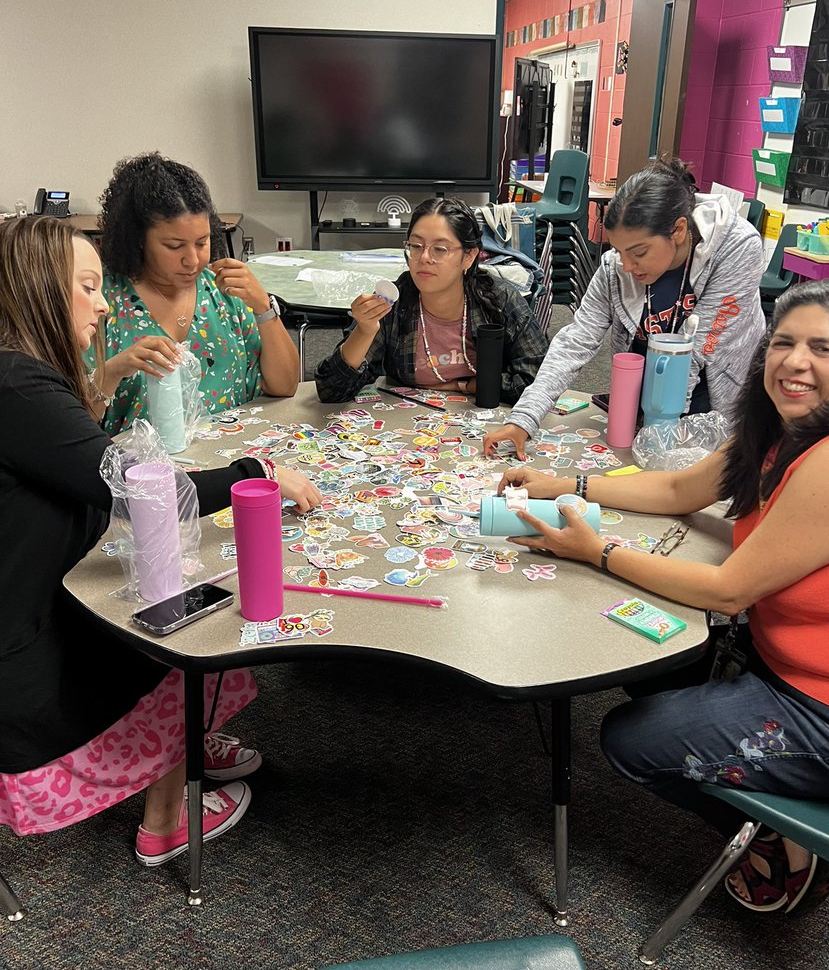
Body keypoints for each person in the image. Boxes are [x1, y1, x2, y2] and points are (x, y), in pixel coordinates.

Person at [497, 277, 829, 914]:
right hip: (782, 665)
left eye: (823, 349)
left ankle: (791, 845)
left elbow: (730, 588)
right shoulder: (784, 427)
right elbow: (677, 491)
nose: (795, 363)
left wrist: (595, 551)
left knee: (630, 738)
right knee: (656, 660)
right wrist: (564, 481)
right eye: (784, 343)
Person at [0, 216, 321, 866]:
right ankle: (167, 822)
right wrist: (256, 473)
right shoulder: (16, 384)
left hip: (37, 602)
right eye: (86, 287)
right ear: (38, 289)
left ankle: (189, 748)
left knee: (179, 589)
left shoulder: (20, 376)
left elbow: (73, 453)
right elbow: (132, 487)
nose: (100, 303)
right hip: (24, 659)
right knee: (187, 632)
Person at [483, 157, 766, 459]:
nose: (627, 266)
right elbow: (575, 340)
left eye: (639, 252)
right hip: (649, 400)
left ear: (679, 230)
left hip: (713, 394)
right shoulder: (615, 267)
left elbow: (697, 350)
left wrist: (665, 433)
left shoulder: (735, 247)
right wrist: (524, 418)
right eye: (618, 251)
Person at [89, 152, 300, 434]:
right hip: (143, 470)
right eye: (174, 246)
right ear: (138, 241)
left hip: (232, 463)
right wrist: (114, 369)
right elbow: (74, 419)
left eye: (202, 242)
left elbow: (285, 385)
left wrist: (264, 308)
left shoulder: (225, 290)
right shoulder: (103, 301)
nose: (192, 260)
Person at [314, 197, 548, 404]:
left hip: (489, 426)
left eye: (440, 249)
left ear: (469, 257)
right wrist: (365, 330)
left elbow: (539, 379)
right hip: (408, 429)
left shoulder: (499, 300)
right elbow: (331, 390)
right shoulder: (395, 304)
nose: (424, 258)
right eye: (416, 246)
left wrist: (466, 386)